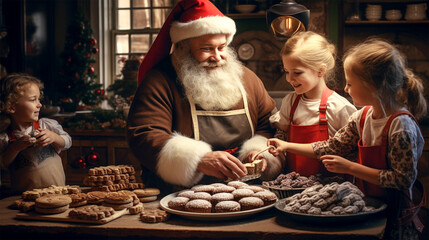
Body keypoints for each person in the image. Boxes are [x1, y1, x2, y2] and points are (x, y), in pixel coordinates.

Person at [267, 39, 426, 240]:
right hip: (367, 206)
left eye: (351, 83)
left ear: (375, 85)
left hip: (396, 215)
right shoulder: (362, 117)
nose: (346, 88)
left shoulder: (401, 126)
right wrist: (286, 145)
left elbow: (402, 179)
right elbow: (333, 146)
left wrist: (350, 168)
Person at [127, 0, 282, 192]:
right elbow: (145, 134)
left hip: (244, 189)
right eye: (207, 48)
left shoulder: (247, 78)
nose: (217, 57)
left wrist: (259, 152)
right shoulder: (159, 81)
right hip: (178, 194)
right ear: (183, 47)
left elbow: (268, 124)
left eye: (222, 47)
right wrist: (198, 159)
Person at [269, 31, 356, 176]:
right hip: (292, 186)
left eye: (297, 73)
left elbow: (349, 152)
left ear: (320, 70)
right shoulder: (290, 102)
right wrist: (271, 151)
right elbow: (282, 133)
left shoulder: (339, 107)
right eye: (286, 71)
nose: (289, 79)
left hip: (329, 188)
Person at [0, 73, 71, 193]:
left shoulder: (46, 125)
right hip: (25, 199)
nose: (39, 104)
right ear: (11, 107)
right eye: (33, 100)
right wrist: (14, 148)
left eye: (39, 99)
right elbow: (2, 165)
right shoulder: (5, 138)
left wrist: (54, 137)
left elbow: (68, 142)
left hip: (58, 193)